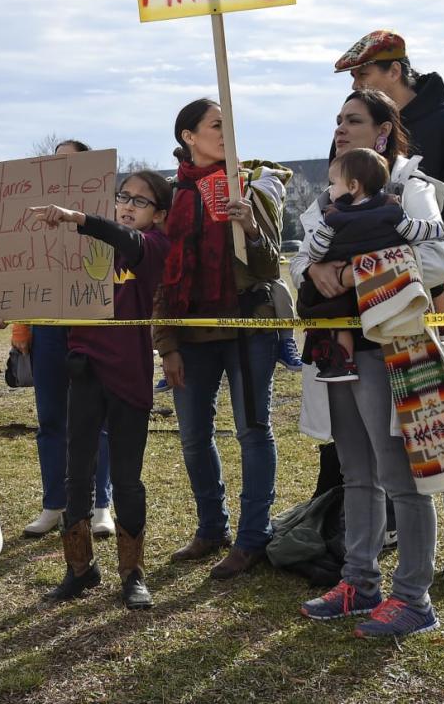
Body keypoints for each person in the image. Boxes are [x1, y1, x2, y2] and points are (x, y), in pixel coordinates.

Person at [336, 30, 444, 582]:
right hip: (374, 307)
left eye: (363, 74)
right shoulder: (360, 133)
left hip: (437, 296)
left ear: (396, 69)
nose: (357, 84)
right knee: (385, 422)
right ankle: (401, 521)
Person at [292, 88, 444, 637]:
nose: (340, 127)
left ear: (383, 131)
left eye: (353, 120)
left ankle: (414, 598)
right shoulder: (330, 198)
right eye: (337, 119)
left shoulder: (410, 189)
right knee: (357, 474)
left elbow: (436, 261)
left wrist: (357, 270)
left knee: (401, 476)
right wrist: (313, 273)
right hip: (338, 352)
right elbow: (299, 258)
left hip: (391, 348)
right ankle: (359, 583)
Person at [155, 98, 289, 580]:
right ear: (189, 135)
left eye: (229, 123)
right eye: (216, 125)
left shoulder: (251, 184)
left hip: (248, 326)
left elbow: (271, 265)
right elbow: (160, 276)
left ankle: (253, 538)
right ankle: (211, 528)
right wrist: (166, 343)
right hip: (191, 331)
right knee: (193, 436)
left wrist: (249, 226)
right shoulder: (168, 196)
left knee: (253, 431)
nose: (226, 132)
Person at [31, 171, 171, 609]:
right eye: (123, 197)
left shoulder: (153, 248)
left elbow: (125, 239)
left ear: (160, 215)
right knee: (77, 474)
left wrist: (79, 217)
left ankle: (132, 574)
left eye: (141, 202)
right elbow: (35, 284)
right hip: (83, 371)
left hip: (127, 375)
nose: (129, 205)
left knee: (127, 479)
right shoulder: (77, 249)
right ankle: (79, 569)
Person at [13, 139, 113, 539]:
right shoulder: (29, 217)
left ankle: (101, 504)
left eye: (69, 163)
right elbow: (16, 269)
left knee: (97, 420)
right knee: (51, 419)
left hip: (94, 326)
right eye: (53, 163)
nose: (60, 170)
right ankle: (54, 503)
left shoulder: (103, 214)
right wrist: (20, 324)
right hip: (48, 330)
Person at [299, 147, 444, 382]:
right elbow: (415, 230)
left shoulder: (333, 218)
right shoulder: (391, 208)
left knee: (332, 308)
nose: (330, 190)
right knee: (434, 285)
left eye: (333, 184)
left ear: (353, 187)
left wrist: (319, 258)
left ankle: (343, 362)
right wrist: (442, 231)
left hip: (349, 279)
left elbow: (315, 251)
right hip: (394, 283)